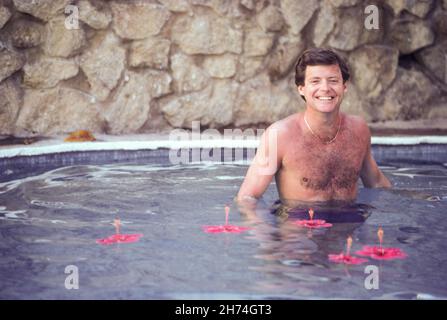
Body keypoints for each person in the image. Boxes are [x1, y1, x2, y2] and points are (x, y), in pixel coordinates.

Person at [237, 48, 391, 207]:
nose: (325, 88)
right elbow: (248, 197)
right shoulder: (279, 135)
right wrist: (263, 229)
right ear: (301, 88)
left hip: (349, 223)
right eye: (315, 81)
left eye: (333, 80)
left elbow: (377, 183)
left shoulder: (359, 129)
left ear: (344, 86)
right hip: (299, 226)